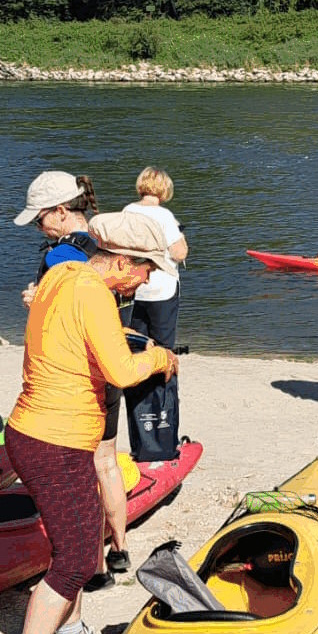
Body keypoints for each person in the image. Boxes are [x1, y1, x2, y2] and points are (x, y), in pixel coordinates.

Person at [1, 212, 179, 634]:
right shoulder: (96, 293)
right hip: (52, 440)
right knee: (78, 556)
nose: (146, 280)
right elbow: (122, 372)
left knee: (83, 530)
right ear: (122, 261)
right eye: (145, 271)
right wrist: (161, 358)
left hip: (42, 433)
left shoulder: (63, 271)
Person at [15, 170, 135, 582]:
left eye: (39, 218)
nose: (37, 227)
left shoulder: (63, 254)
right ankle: (119, 547)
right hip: (114, 362)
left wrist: (37, 298)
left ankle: (93, 566)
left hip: (77, 379)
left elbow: (65, 308)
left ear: (62, 211)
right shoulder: (111, 238)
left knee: (85, 471)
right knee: (109, 464)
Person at [123, 167, 187, 461]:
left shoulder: (127, 211)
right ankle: (162, 421)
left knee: (137, 348)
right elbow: (180, 252)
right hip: (161, 288)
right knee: (164, 351)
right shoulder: (164, 217)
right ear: (164, 190)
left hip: (135, 289)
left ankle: (141, 425)